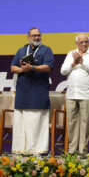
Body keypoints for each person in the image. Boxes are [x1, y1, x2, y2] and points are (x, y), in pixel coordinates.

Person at [11, 27, 54, 155]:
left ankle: (36, 153)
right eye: (34, 36)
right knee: (20, 125)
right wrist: (22, 70)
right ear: (28, 37)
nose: (36, 38)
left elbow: (48, 67)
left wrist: (32, 67)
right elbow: (13, 67)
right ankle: (20, 152)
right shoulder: (22, 50)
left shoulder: (46, 50)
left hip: (38, 94)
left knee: (36, 124)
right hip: (22, 94)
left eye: (39, 35)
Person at [61, 34, 89, 154]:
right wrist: (73, 63)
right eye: (81, 42)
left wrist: (82, 62)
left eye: (86, 42)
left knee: (85, 123)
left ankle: (82, 152)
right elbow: (63, 71)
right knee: (72, 122)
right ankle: (72, 150)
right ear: (76, 44)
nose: (84, 44)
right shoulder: (71, 53)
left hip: (87, 94)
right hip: (72, 93)